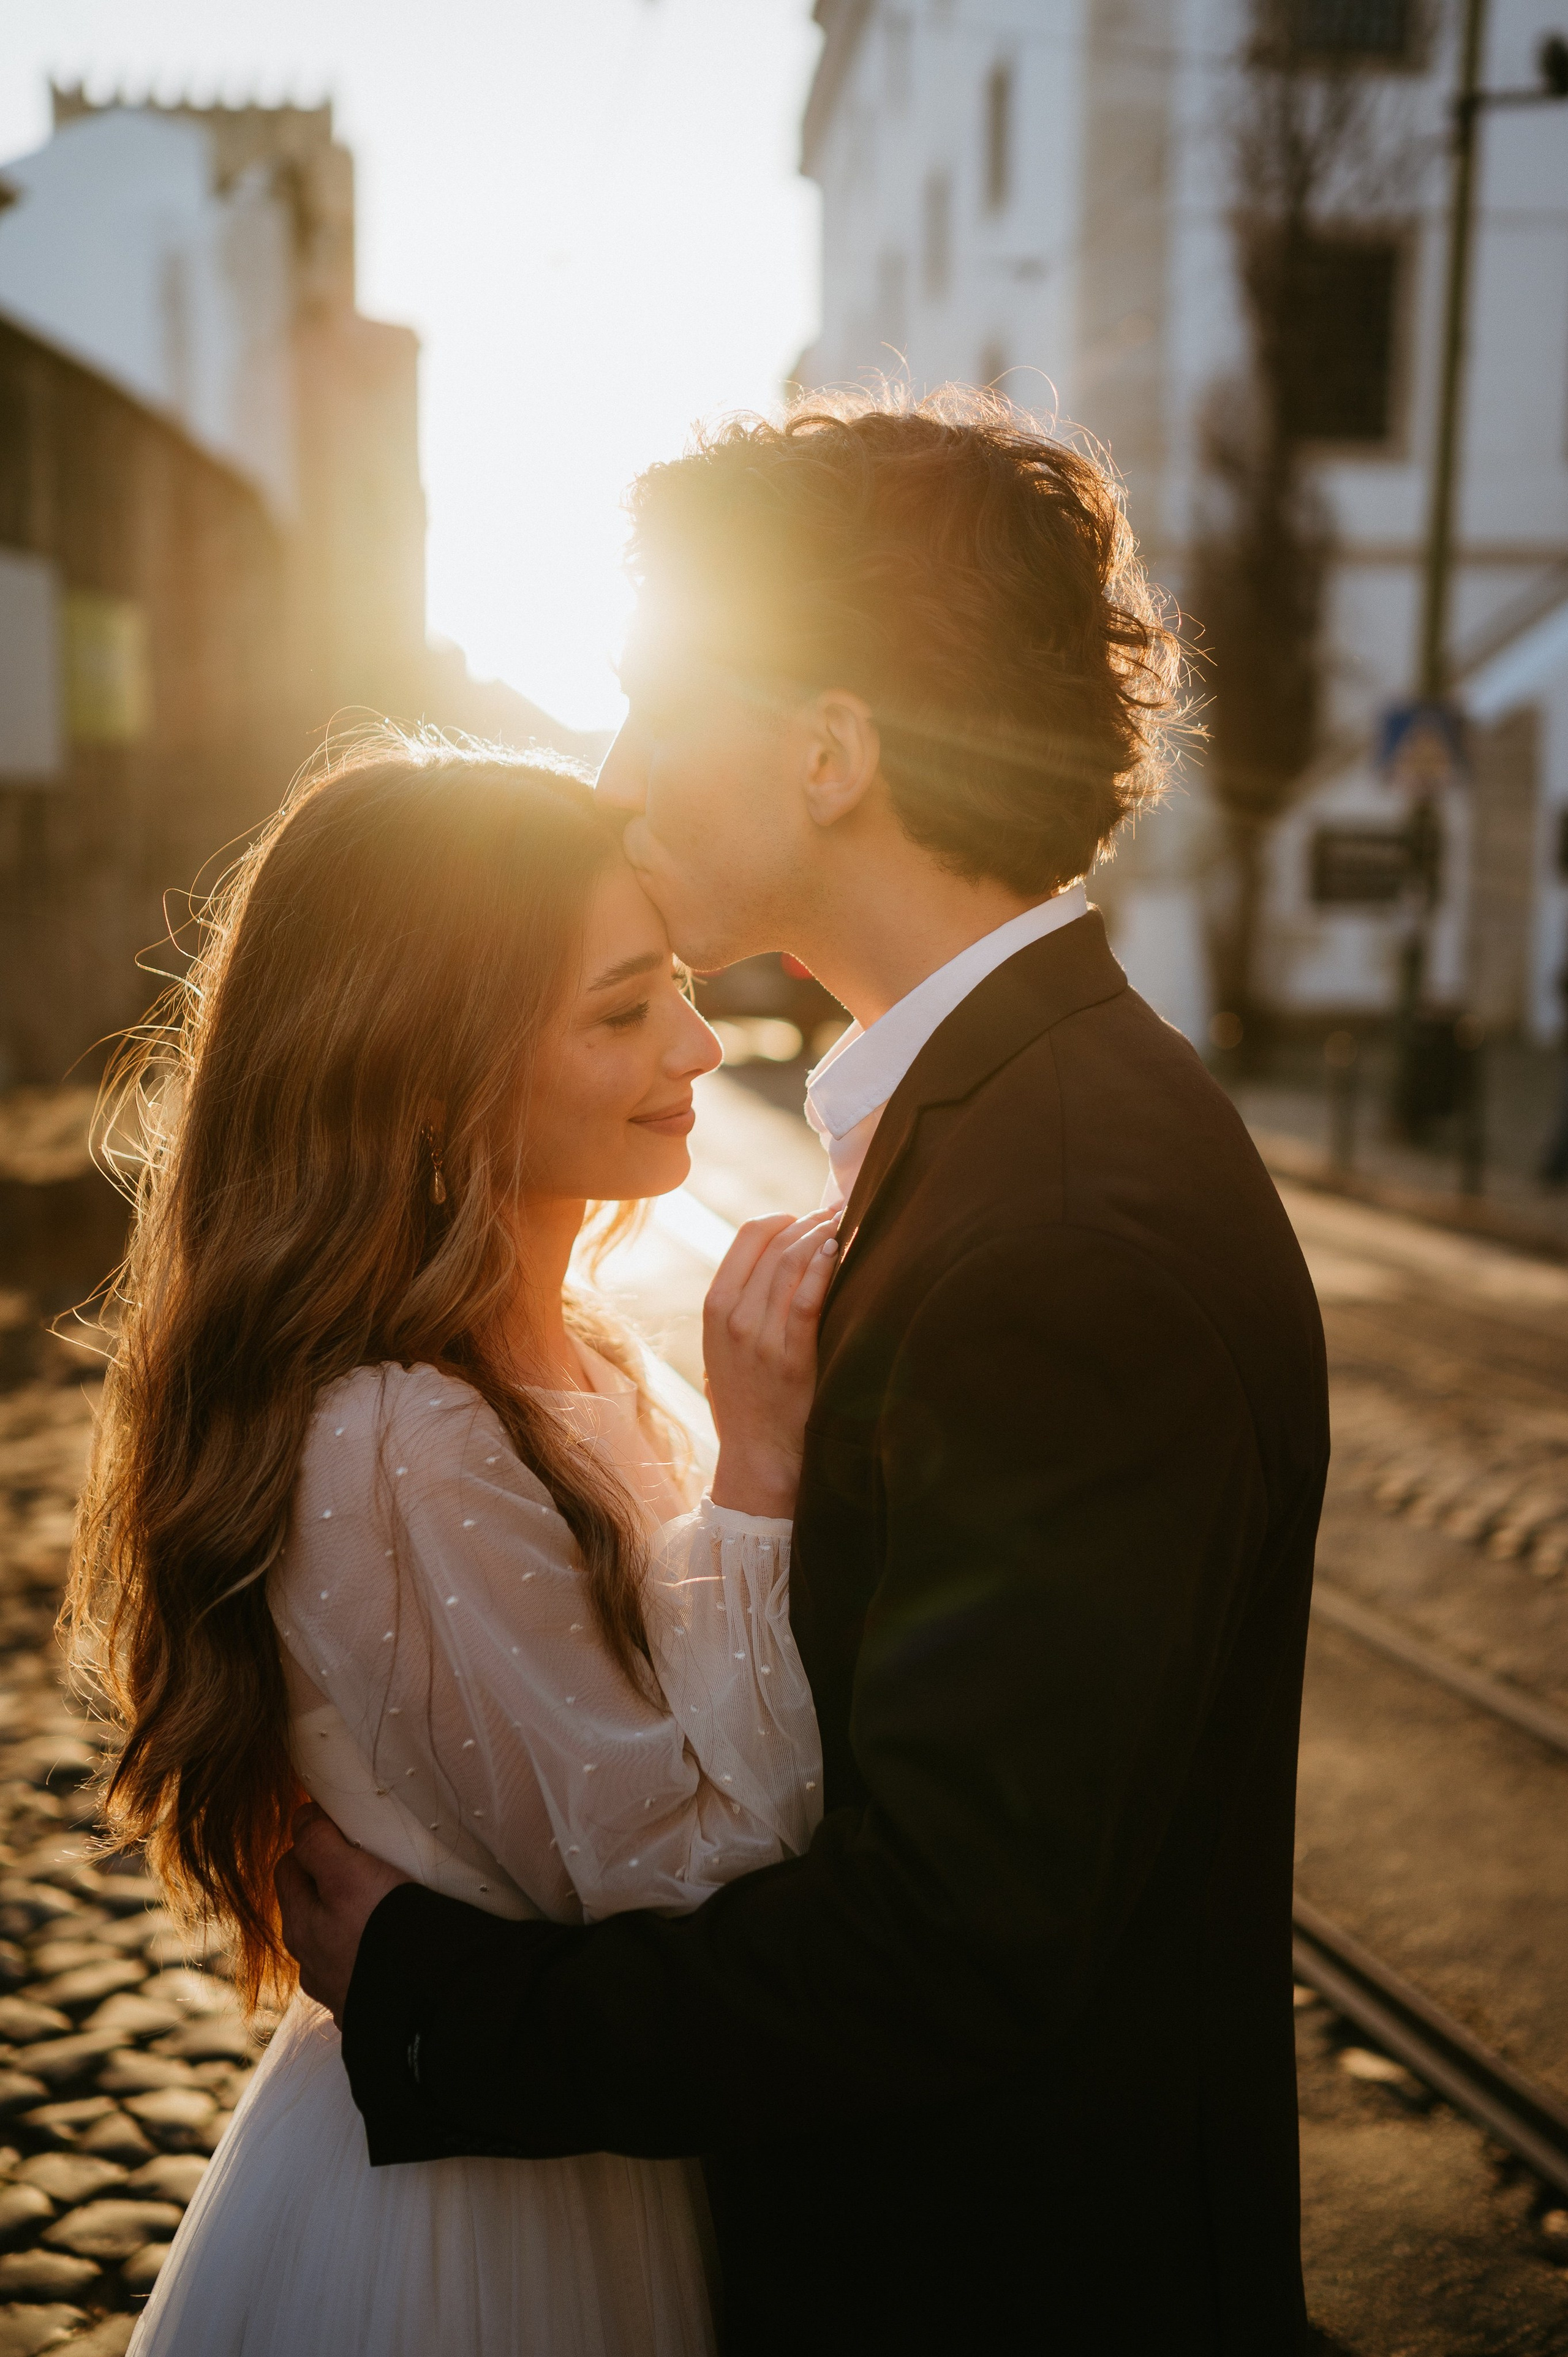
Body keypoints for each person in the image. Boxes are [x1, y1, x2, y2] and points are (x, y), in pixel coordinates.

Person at [282, 390, 1331, 2355]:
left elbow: (947, 1949)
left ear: (832, 751)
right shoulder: (1015, 1124)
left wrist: (447, 2002)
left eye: (657, 701)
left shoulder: (1065, 1225)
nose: (614, 770)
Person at [68, 733, 841, 2356]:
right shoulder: (402, 1434)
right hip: (486, 2234)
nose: (698, 1045)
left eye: (679, 987)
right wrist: (762, 1479)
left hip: (588, 2152)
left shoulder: (584, 1356)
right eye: (622, 1011)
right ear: (432, 1073)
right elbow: (681, 1875)